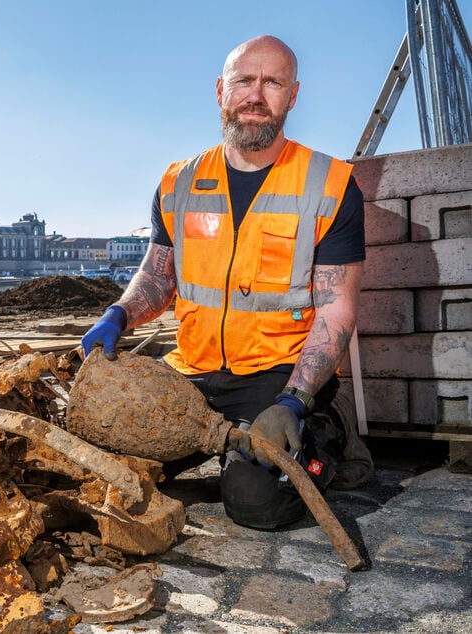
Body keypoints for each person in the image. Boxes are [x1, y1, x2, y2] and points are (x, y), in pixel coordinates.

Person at [81, 35, 372, 530]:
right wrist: (119, 313)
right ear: (221, 90)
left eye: (273, 82)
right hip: (191, 369)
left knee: (254, 502)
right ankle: (224, 444)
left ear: (293, 95)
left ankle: (330, 433)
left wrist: (293, 400)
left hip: (276, 376)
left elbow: (336, 310)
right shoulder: (180, 181)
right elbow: (157, 278)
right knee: (105, 466)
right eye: (244, 81)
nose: (256, 96)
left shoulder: (330, 185)